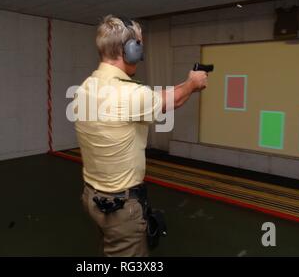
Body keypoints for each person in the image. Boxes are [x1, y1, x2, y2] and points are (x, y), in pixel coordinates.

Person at [74, 15, 208, 256]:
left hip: (92, 198)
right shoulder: (131, 94)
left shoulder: (85, 87)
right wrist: (193, 84)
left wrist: (187, 83)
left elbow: (159, 97)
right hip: (120, 208)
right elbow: (174, 100)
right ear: (130, 50)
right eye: (139, 44)